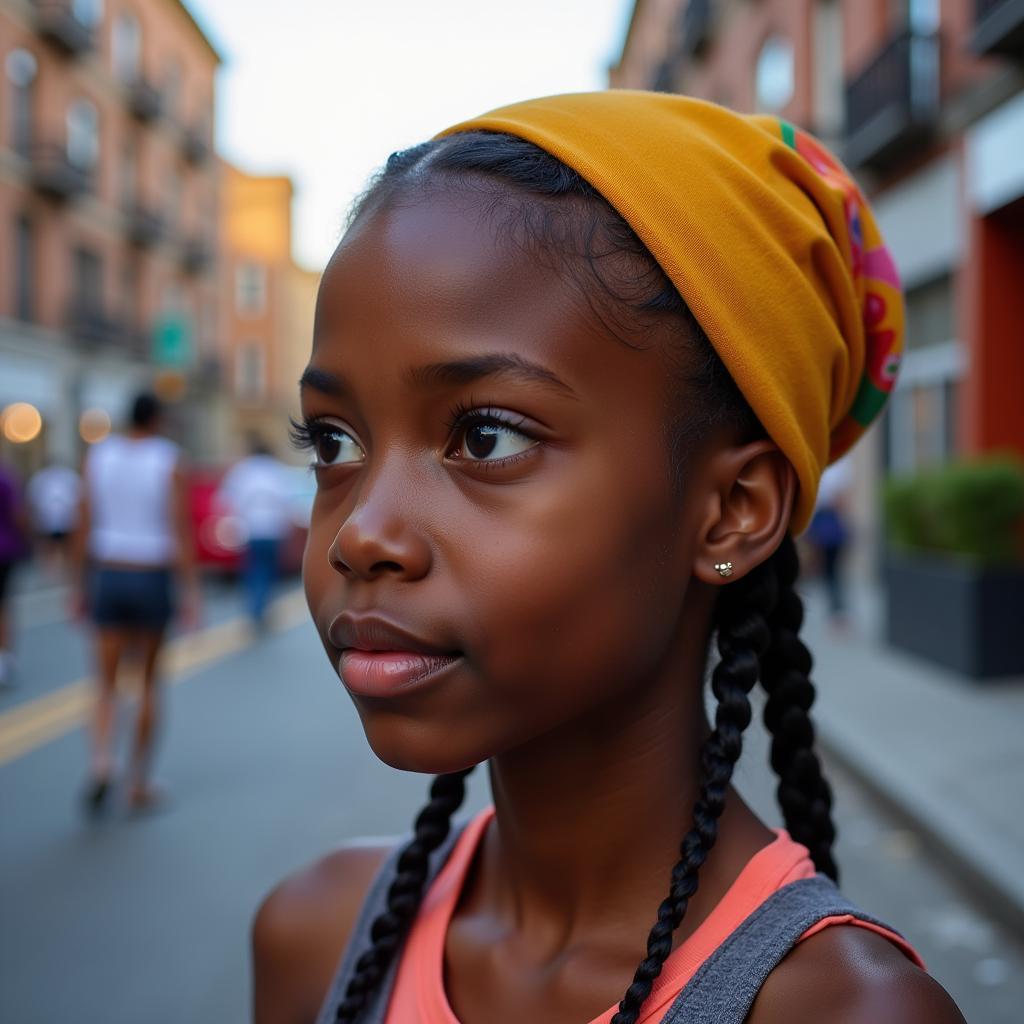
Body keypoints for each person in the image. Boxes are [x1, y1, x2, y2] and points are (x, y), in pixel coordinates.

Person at [252, 94, 964, 1023]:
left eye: (486, 437)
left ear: (731, 512)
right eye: (335, 443)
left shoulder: (844, 1013)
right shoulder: (316, 940)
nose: (360, 535)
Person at [71, 392, 200, 814]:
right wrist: (190, 592)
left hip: (109, 572)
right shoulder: (169, 459)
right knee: (147, 682)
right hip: (150, 575)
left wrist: (79, 585)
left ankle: (101, 762)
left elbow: (84, 522)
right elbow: (178, 527)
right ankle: (138, 782)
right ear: (158, 418)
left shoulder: (99, 456)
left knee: (105, 684)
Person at [216, 434, 295, 632]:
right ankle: (262, 608)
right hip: (274, 529)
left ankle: (255, 608)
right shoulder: (276, 470)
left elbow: (225, 499)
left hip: (251, 528)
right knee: (269, 570)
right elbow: (288, 501)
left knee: (253, 570)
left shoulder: (244, 470)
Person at [807, 457, 854, 626]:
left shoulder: (838, 464)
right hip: (824, 525)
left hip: (827, 527)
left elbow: (840, 499)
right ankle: (837, 612)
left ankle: (838, 612)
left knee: (831, 572)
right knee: (830, 572)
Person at [0, 458, 30, 686]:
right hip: (5, 550)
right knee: (3, 606)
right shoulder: (6, 477)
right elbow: (19, 515)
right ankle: (3, 657)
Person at [26, 460, 82, 578]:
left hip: (65, 519)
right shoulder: (42, 478)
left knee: (65, 546)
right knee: (50, 545)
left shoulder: (68, 477)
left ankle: (64, 570)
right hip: (49, 519)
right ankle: (51, 572)